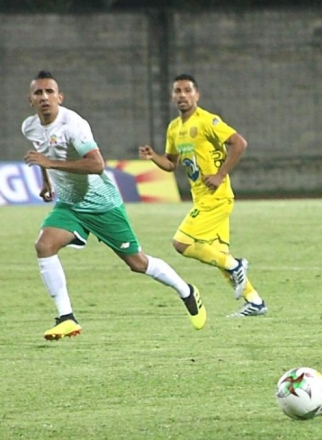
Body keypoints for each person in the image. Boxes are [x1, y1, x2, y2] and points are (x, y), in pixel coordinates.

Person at [22, 70, 206, 340]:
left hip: (101, 204)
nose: (45, 97)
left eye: (50, 92)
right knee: (44, 245)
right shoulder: (30, 127)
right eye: (39, 93)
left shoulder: (74, 125)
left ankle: (187, 291)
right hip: (71, 205)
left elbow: (96, 165)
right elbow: (44, 156)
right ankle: (66, 317)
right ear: (31, 100)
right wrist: (47, 181)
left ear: (60, 97)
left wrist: (50, 164)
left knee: (138, 263)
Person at [139, 74, 266, 318]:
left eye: (187, 90)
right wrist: (154, 156)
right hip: (202, 198)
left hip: (216, 197)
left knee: (182, 243)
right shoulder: (174, 128)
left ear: (197, 95)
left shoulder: (208, 120)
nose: (182, 95)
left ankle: (236, 265)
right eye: (178, 91)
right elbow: (170, 164)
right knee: (218, 256)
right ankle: (255, 301)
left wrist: (219, 175)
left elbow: (239, 143)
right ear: (173, 96)